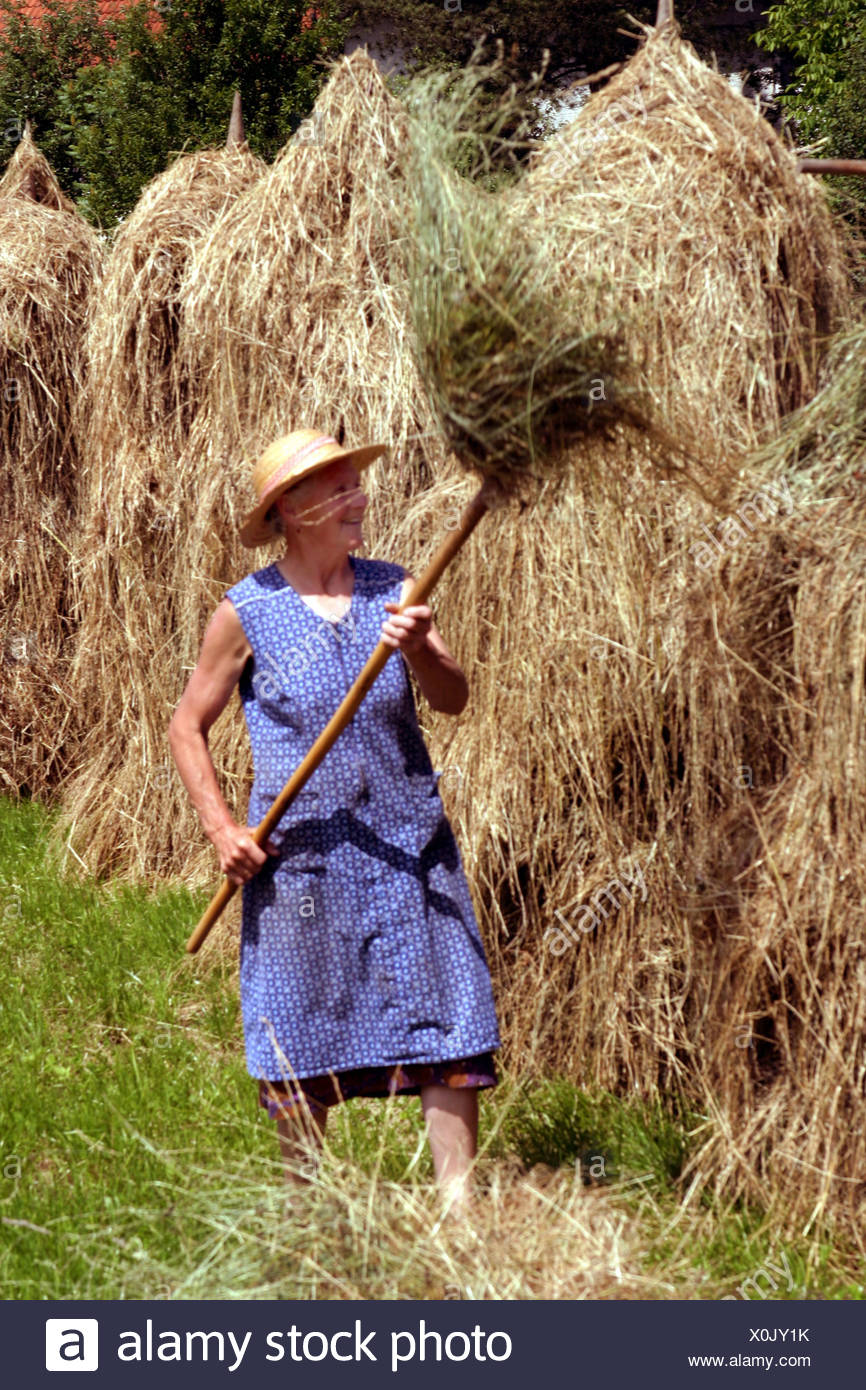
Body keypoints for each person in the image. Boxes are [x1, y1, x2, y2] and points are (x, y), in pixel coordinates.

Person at [168, 427, 501, 1214]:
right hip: (302, 862)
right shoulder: (247, 611)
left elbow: (454, 699)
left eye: (358, 484)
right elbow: (187, 726)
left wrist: (421, 649)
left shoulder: (397, 587)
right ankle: (311, 1218)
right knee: (296, 1026)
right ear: (291, 508)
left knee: (448, 1023)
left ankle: (461, 1222)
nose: (361, 499)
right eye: (341, 488)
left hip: (407, 847)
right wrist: (224, 831)